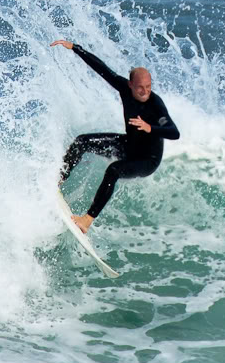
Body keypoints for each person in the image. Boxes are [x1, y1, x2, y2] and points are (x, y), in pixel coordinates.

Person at [51, 39, 180, 234]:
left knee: (114, 170)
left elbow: (174, 132)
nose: (145, 92)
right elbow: (102, 69)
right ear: (130, 85)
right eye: (140, 87)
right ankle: (59, 181)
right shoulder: (124, 88)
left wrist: (149, 127)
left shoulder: (156, 105)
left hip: (147, 160)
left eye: (148, 86)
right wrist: (76, 48)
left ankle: (86, 220)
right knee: (82, 142)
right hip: (129, 145)